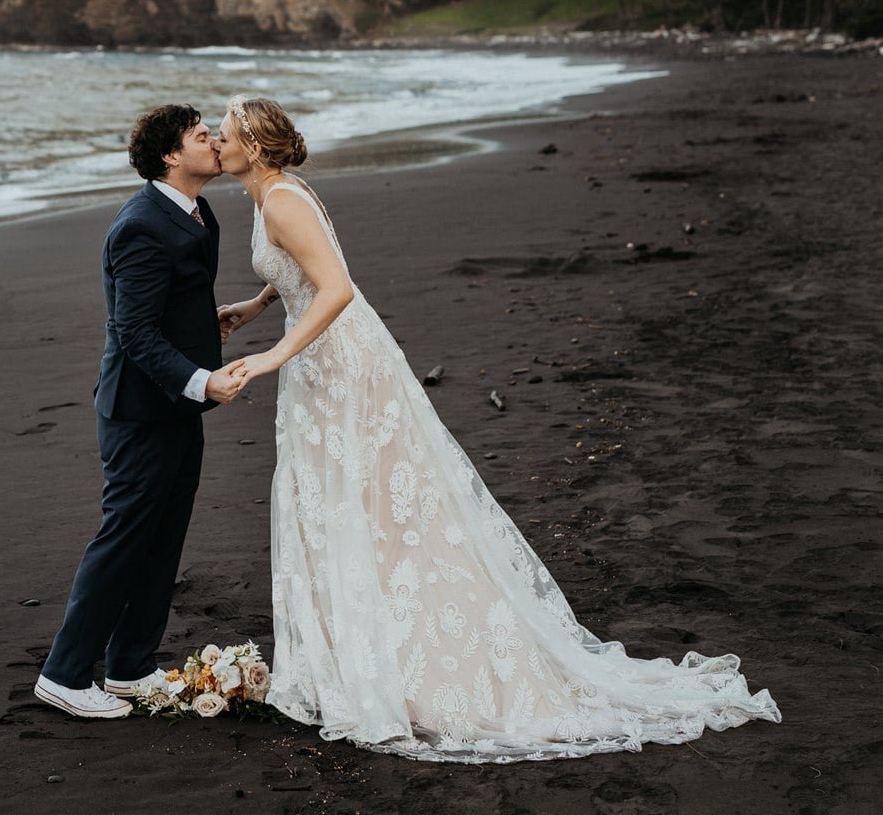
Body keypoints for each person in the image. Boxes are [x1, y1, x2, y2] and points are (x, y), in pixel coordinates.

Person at [218, 95, 781, 763]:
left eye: (223, 136)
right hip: (319, 362)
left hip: (338, 363)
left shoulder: (282, 198)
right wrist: (257, 307)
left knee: (370, 506)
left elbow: (336, 288)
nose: (216, 145)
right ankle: (356, 646)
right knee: (346, 501)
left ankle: (404, 653)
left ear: (254, 147)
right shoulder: (269, 195)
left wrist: (276, 354)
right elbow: (301, 272)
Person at [36, 105, 245, 720]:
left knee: (165, 532)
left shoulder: (197, 212)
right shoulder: (141, 225)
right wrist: (201, 380)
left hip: (175, 403)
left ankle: (129, 664)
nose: (214, 142)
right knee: (126, 535)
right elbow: (131, 330)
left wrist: (207, 326)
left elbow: (168, 304)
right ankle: (64, 673)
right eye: (201, 137)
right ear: (170, 158)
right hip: (137, 409)